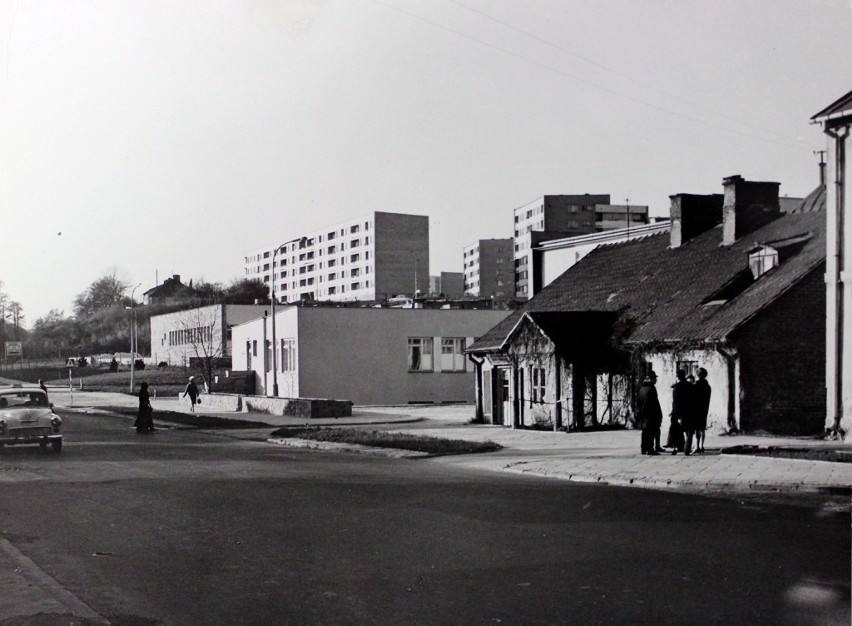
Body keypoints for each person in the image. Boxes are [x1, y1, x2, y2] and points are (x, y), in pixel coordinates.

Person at [636, 371, 662, 455]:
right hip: (651, 413)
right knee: (651, 431)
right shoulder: (651, 388)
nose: (656, 380)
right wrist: (658, 414)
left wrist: (640, 412)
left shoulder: (642, 388)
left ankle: (643, 449)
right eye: (655, 378)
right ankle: (650, 449)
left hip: (643, 413)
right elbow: (653, 402)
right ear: (652, 379)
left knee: (645, 431)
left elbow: (639, 401)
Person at [666, 370, 689, 455]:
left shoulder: (677, 388)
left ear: (677, 377)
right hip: (687, 411)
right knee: (687, 431)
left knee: (676, 429)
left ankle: (676, 446)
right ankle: (687, 446)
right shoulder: (689, 386)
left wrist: (677, 414)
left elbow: (676, 403)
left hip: (677, 412)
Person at [692, 367, 711, 453]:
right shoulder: (707, 386)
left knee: (696, 428)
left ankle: (696, 446)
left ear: (697, 375)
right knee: (702, 428)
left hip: (696, 409)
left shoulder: (695, 385)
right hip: (704, 408)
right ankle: (701, 445)